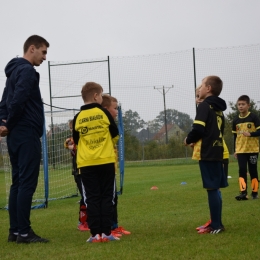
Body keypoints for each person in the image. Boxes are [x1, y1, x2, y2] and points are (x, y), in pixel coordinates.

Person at [0, 35, 50, 243]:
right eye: (43, 52)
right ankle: (25, 232)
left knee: (17, 182)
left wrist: (3, 124)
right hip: (26, 132)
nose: (45, 57)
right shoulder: (27, 71)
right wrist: (9, 123)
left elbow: (3, 101)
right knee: (27, 182)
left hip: (14, 135)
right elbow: (18, 99)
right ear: (32, 48)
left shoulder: (12, 73)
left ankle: (15, 231)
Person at [73, 82, 120, 243]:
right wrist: (105, 145)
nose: (101, 97)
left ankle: (94, 235)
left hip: (86, 163)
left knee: (91, 198)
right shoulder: (103, 113)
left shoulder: (78, 117)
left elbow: (77, 140)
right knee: (107, 197)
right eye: (101, 95)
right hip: (106, 161)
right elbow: (115, 133)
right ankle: (107, 232)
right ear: (95, 96)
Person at [184, 75, 228, 234]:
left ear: (208, 88)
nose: (199, 88)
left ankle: (216, 225)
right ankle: (215, 222)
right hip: (218, 151)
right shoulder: (218, 109)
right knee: (215, 188)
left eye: (202, 85)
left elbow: (198, 129)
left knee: (211, 188)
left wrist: (188, 139)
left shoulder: (204, 106)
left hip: (208, 152)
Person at [101, 95, 131, 237]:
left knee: (113, 197)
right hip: (102, 166)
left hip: (109, 166)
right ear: (106, 109)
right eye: (115, 108)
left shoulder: (110, 123)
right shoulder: (104, 124)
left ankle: (113, 225)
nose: (117, 111)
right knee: (108, 197)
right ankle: (109, 227)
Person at [233, 95, 260, 200]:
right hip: (241, 150)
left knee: (253, 170)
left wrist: (251, 134)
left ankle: (255, 193)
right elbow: (235, 136)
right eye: (239, 104)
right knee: (242, 170)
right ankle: (243, 193)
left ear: (248, 105)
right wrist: (235, 150)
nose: (240, 106)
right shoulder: (235, 120)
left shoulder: (254, 117)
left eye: (243, 104)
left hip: (252, 149)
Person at [64, 119, 89, 231]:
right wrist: (71, 146)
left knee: (89, 195)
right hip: (78, 172)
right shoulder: (72, 140)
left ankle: (89, 220)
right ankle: (82, 222)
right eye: (71, 128)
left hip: (86, 170)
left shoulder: (83, 138)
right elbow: (68, 144)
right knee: (85, 196)